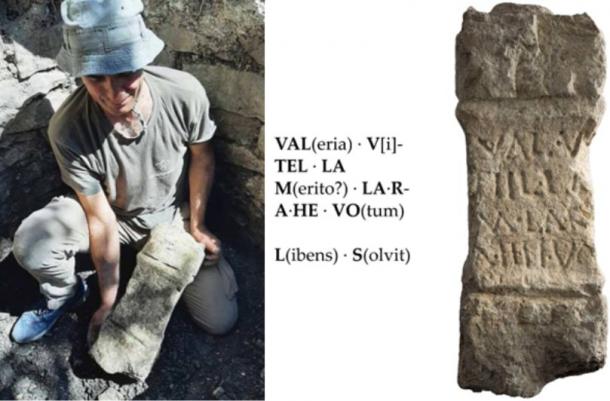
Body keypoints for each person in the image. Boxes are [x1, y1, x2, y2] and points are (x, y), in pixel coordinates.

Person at [9, 0, 238, 344]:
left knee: (219, 319)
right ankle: (65, 293)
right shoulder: (68, 128)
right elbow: (100, 219)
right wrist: (107, 302)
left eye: (125, 73)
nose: (113, 93)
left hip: (170, 217)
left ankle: (163, 265)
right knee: (34, 243)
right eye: (96, 77)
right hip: (108, 215)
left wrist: (197, 225)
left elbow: (202, 158)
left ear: (143, 61)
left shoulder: (183, 93)